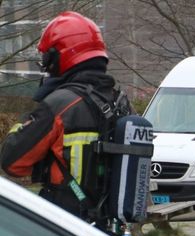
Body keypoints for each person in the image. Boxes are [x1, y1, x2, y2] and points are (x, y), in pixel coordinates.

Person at [1, 11, 130, 225]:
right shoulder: (120, 103)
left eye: (47, 58)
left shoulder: (59, 104)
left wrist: (32, 115)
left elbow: (12, 162)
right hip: (110, 226)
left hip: (64, 224)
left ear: (58, 56)